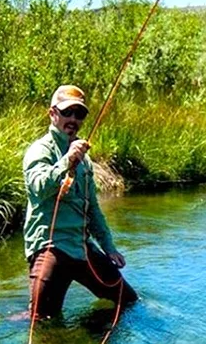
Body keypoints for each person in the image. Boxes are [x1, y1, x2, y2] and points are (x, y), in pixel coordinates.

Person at [22, 85, 138, 320]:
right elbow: (38, 188)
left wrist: (109, 247)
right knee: (42, 321)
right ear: (52, 114)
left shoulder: (84, 159)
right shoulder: (39, 151)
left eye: (80, 114)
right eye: (67, 112)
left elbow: (93, 209)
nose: (73, 119)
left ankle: (90, 335)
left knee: (128, 301)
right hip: (50, 247)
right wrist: (67, 161)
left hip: (82, 247)